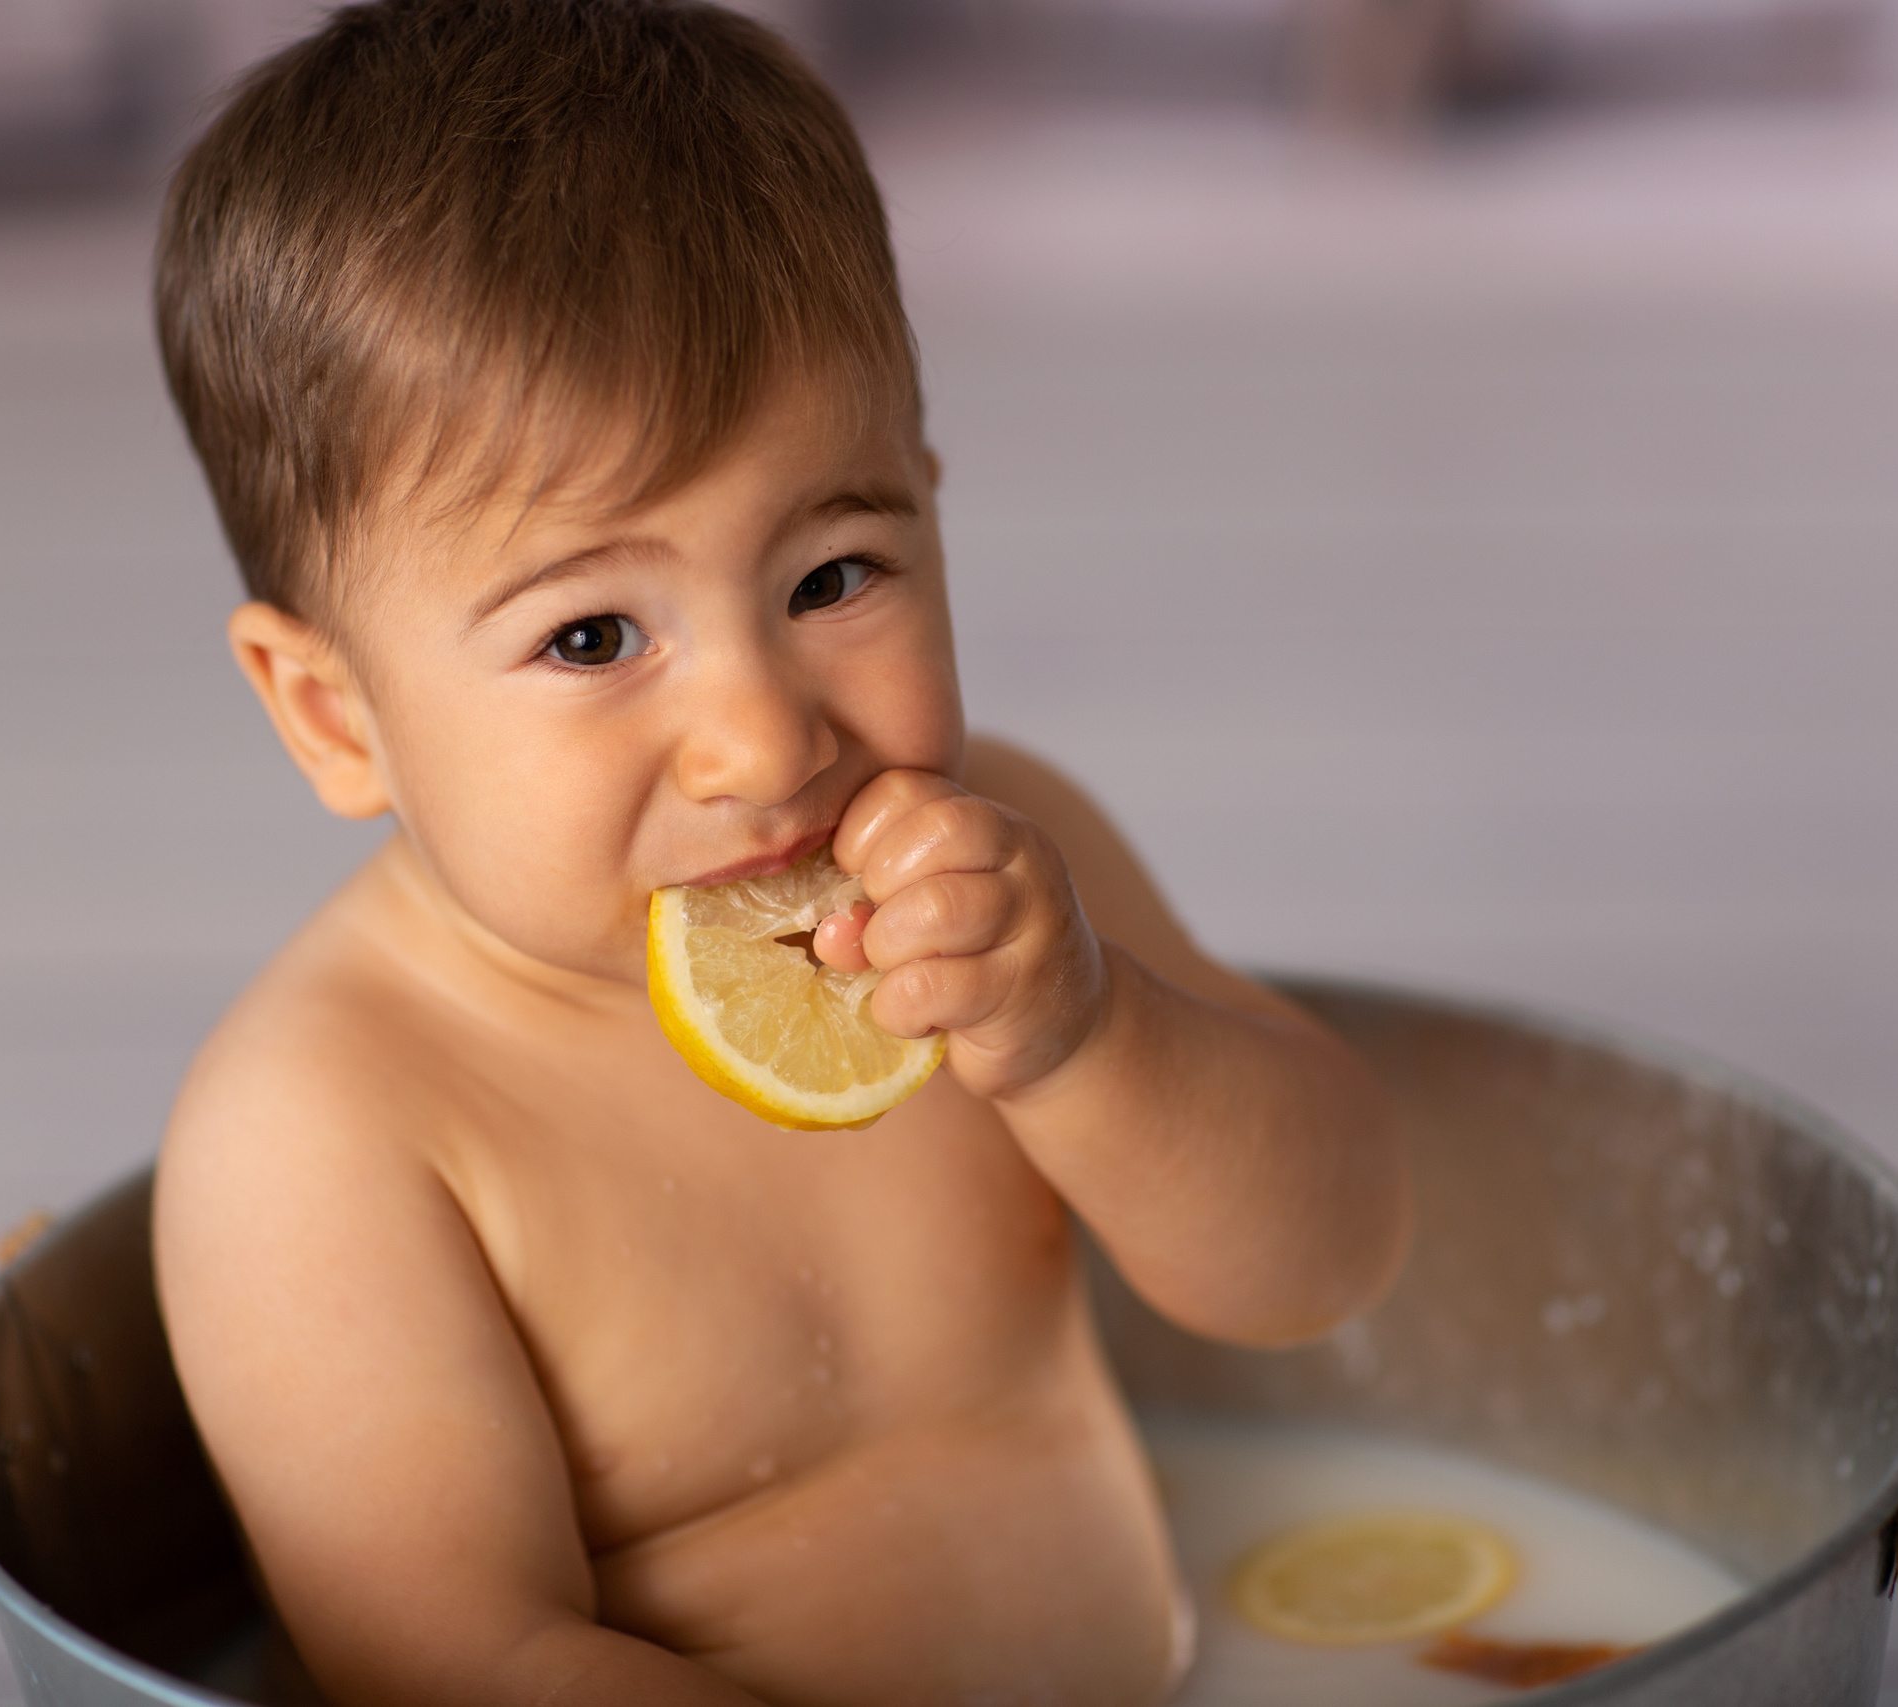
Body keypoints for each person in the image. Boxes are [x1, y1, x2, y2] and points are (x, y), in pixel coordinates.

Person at [150, 3, 1408, 1701]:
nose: (767, 740)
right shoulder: (329, 1133)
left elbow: (1328, 1260)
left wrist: (1087, 1039)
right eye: (595, 638)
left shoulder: (1014, 885)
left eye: (833, 578)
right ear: (334, 714)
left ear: (930, 510)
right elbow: (456, 1662)